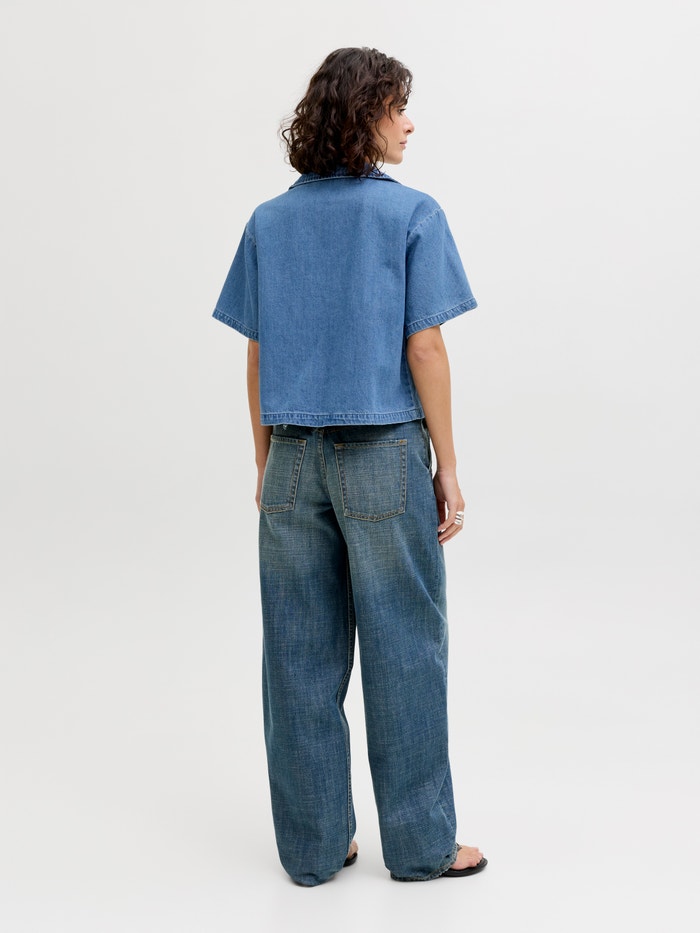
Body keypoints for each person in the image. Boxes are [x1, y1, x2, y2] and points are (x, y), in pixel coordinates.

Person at [212, 46, 487, 886]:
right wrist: (447, 464)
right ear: (365, 116)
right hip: (382, 454)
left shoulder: (268, 221)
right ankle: (422, 846)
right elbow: (425, 346)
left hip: (291, 456)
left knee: (297, 656)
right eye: (397, 108)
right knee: (405, 649)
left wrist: (266, 459)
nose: (410, 124)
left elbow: (257, 353)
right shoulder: (411, 214)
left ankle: (313, 846)